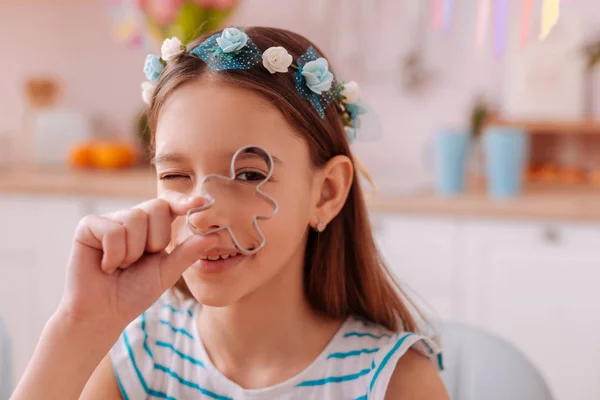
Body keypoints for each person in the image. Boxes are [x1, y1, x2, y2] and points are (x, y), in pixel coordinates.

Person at [11, 26, 448, 399]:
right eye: (177, 175)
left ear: (326, 193)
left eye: (249, 175)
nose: (202, 216)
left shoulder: (393, 383)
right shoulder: (138, 360)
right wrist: (80, 325)